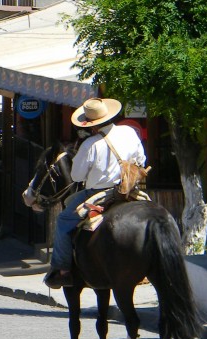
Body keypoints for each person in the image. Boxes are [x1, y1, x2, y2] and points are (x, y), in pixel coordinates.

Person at [43, 97, 146, 289]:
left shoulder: (90, 144)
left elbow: (76, 176)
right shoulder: (129, 132)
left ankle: (63, 270)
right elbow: (141, 158)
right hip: (130, 190)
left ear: (92, 125)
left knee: (64, 220)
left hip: (98, 193)